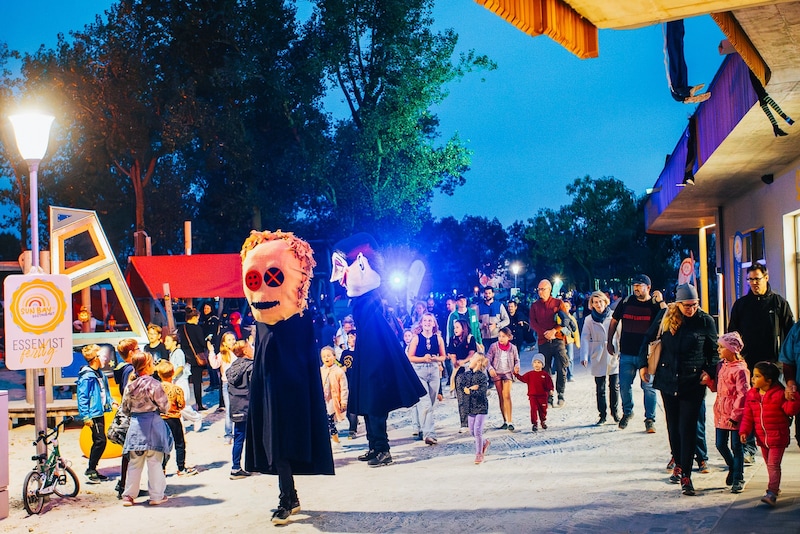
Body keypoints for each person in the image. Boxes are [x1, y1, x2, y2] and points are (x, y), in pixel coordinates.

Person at [243, 230, 334, 525]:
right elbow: (261, 356)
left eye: (271, 278)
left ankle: (288, 496)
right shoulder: (262, 325)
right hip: (270, 391)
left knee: (285, 442)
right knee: (276, 444)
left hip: (293, 392)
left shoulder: (300, 320)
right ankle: (288, 495)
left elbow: (305, 357)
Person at [330, 233, 425, 469]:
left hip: (375, 365)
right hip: (367, 359)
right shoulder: (363, 304)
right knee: (368, 407)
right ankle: (375, 446)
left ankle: (382, 450)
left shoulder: (370, 303)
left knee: (374, 407)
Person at [640, 283, 717, 497]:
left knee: (688, 427)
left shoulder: (705, 321)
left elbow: (714, 351)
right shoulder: (666, 316)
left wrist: (709, 372)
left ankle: (687, 475)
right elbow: (647, 339)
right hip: (667, 379)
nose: (691, 309)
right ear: (679, 303)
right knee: (673, 427)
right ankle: (679, 463)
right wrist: (643, 365)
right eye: (687, 305)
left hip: (692, 381)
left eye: (694, 305)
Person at [728, 262, 794, 462]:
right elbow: (732, 334)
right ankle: (749, 447)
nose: (754, 283)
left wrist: (786, 360)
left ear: (766, 277)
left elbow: (790, 334)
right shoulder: (741, 305)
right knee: (750, 406)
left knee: (774, 407)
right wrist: (735, 356)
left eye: (757, 279)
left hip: (773, 365)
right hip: (748, 366)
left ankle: (772, 441)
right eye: (750, 280)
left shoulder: (778, 303)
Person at [607, 274, 666, 432]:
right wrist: (609, 341)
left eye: (640, 285)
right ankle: (628, 412)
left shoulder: (654, 305)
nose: (636, 288)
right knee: (624, 385)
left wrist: (660, 300)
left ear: (648, 287)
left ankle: (650, 419)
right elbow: (614, 321)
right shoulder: (626, 302)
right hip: (626, 352)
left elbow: (667, 315)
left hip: (647, 355)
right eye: (634, 285)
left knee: (649, 387)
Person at [739, 361, 800, 506]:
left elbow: (790, 410)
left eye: (757, 376)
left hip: (778, 437)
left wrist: (794, 397)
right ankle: (775, 488)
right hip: (762, 438)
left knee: (773, 465)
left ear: (769, 380)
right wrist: (744, 431)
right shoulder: (752, 395)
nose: (753, 379)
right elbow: (748, 416)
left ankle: (771, 492)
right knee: (769, 465)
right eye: (753, 375)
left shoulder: (779, 394)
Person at [120, 351, 173, 507]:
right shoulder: (155, 384)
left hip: (136, 426)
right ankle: (156, 495)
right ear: (147, 365)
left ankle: (128, 496)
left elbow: (125, 408)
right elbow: (165, 407)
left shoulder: (130, 386)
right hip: (153, 425)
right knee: (155, 461)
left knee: (134, 463)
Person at [701, 332, 749, 493]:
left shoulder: (741, 370)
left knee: (737, 446)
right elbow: (717, 388)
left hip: (735, 414)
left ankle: (738, 477)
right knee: (720, 444)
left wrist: (735, 416)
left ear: (732, 349)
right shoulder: (721, 366)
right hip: (721, 411)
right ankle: (732, 467)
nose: (718, 350)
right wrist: (708, 381)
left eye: (722, 347)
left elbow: (743, 395)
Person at [580, 291, 620, 425]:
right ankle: (602, 415)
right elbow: (585, 337)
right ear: (592, 304)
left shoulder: (614, 316)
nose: (598, 304)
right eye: (595, 302)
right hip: (598, 353)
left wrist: (620, 350)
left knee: (614, 385)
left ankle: (615, 412)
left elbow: (620, 334)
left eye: (600, 301)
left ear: (605, 301)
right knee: (600, 387)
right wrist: (584, 355)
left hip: (612, 351)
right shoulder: (588, 320)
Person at [407, 312, 447, 445]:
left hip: (434, 370)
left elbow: (443, 356)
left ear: (434, 323)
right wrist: (423, 358)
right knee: (425, 403)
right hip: (420, 371)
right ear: (421, 323)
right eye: (425, 320)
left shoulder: (438, 338)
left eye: (430, 320)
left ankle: (419, 427)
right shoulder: (416, 338)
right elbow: (410, 357)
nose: (428, 323)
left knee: (432, 402)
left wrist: (436, 359)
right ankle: (429, 434)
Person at [529, 279, 570, 407]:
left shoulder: (558, 303)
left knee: (561, 367)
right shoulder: (535, 306)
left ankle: (561, 393)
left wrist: (554, 330)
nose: (540, 292)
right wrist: (545, 332)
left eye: (543, 289)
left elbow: (565, 320)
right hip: (543, 341)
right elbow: (533, 322)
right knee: (545, 370)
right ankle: (548, 394)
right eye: (539, 289)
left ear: (549, 289)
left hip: (558, 340)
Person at [77, 343, 113, 484]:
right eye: (101, 355)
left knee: (100, 440)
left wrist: (110, 401)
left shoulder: (99, 373)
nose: (105, 357)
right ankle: (90, 470)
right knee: (100, 440)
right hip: (93, 413)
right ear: (95, 358)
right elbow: (83, 396)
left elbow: (103, 391)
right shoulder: (87, 376)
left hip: (99, 410)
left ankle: (93, 469)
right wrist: (85, 415)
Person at [154, 360, 197, 477]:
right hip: (173, 418)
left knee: (161, 445)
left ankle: (161, 469)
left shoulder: (155, 389)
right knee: (179, 443)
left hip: (159, 419)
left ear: (159, 374)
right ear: (173, 373)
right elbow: (181, 404)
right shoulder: (176, 389)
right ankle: (181, 468)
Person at [113, 339, 139, 499]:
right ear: (130, 353)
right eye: (136, 349)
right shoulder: (130, 370)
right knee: (130, 452)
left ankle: (126, 484)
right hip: (132, 414)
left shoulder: (121, 368)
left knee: (131, 452)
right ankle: (125, 486)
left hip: (128, 412)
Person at [163, 332, 204, 432]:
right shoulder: (171, 354)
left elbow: (180, 367)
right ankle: (180, 428)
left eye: (168, 341)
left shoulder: (179, 352)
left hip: (181, 381)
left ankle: (196, 417)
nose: (165, 343)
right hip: (175, 381)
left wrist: (171, 376)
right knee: (176, 406)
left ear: (174, 342)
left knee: (182, 405)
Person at [227, 339, 255, 480]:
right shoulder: (251, 367)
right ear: (244, 351)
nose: (251, 348)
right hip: (250, 407)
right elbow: (255, 387)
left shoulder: (231, 369)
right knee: (257, 436)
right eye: (249, 347)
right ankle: (258, 463)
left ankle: (235, 467)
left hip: (236, 407)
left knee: (238, 437)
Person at [447, 318, 478, 432]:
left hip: (470, 369)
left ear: (463, 328)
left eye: (457, 327)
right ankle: (464, 423)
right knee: (461, 398)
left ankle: (474, 421)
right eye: (454, 327)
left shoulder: (470, 338)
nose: (455, 329)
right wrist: (455, 361)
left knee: (472, 397)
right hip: (459, 371)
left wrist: (463, 361)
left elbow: (472, 353)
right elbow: (451, 353)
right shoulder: (452, 339)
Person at [487, 327, 520, 431]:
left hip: (507, 373)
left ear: (509, 337)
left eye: (503, 336)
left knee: (507, 395)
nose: (501, 338)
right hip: (497, 373)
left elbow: (517, 360)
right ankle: (505, 420)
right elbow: (487, 359)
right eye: (499, 336)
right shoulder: (493, 346)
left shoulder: (513, 348)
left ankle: (510, 421)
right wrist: (490, 368)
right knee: (501, 396)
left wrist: (516, 366)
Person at [208, 331, 236, 443]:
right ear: (224, 343)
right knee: (229, 409)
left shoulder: (239, 352)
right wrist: (211, 352)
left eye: (233, 339)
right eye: (229, 339)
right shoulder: (222, 355)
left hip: (240, 384)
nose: (232, 341)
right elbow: (214, 365)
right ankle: (228, 434)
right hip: (227, 384)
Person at [514, 354, 554, 432]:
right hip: (533, 396)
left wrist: (551, 390)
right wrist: (516, 374)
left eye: (539, 362)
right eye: (535, 362)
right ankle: (534, 423)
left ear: (542, 365)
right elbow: (523, 379)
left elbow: (550, 384)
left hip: (542, 396)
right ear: (532, 364)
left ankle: (543, 421)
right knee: (533, 409)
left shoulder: (545, 375)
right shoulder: (530, 374)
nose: (536, 364)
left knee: (543, 410)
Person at [463, 355, 491, 464]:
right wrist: (470, 388)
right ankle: (484, 442)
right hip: (471, 406)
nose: (470, 359)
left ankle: (479, 454)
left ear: (478, 362)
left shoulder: (482, 377)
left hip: (481, 406)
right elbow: (462, 386)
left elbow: (482, 391)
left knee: (478, 431)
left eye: (473, 358)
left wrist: (471, 391)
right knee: (472, 431)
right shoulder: (467, 374)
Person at [180, 307, 209, 411]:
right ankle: (199, 404)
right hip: (196, 358)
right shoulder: (197, 328)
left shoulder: (182, 328)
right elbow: (202, 342)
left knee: (184, 381)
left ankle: (183, 403)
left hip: (185, 357)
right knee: (197, 382)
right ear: (194, 317)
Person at [320, 346, 349, 444]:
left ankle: (336, 441)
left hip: (333, 400)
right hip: (323, 400)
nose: (326, 358)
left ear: (334, 356)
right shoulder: (320, 371)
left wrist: (343, 402)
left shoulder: (339, 371)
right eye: (324, 356)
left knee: (330, 420)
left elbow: (344, 388)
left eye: (328, 356)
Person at [341, 330, 360, 439]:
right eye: (348, 337)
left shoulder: (359, 352)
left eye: (352, 337)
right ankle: (353, 422)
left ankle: (352, 430)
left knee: (353, 406)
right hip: (346, 381)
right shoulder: (345, 353)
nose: (349, 339)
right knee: (348, 406)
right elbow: (341, 364)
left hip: (356, 382)